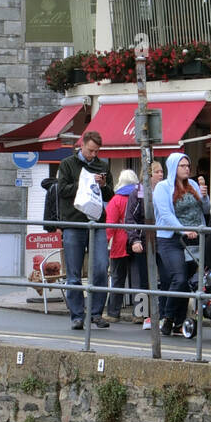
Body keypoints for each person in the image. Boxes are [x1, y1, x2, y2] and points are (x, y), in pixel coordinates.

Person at [55, 129, 114, 330]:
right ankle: (77, 316)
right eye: (90, 151)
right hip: (74, 222)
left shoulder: (103, 165)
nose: (93, 155)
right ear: (82, 145)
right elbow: (61, 190)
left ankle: (96, 313)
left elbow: (110, 195)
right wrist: (82, 183)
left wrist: (104, 184)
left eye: (96, 151)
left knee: (99, 268)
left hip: (96, 221)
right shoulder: (67, 164)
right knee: (73, 273)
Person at [153, 152, 209, 336]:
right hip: (170, 239)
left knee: (186, 282)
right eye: (182, 166)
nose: (187, 169)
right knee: (179, 278)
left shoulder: (192, 185)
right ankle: (167, 318)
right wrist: (183, 229)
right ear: (173, 167)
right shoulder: (162, 187)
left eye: (188, 165)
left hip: (192, 239)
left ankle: (178, 322)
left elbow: (206, 210)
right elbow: (165, 214)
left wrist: (205, 196)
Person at [125, 159, 165, 330]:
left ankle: (162, 313)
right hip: (144, 240)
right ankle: (142, 314)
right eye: (157, 172)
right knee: (144, 280)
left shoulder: (165, 191)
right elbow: (130, 218)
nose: (161, 174)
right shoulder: (137, 192)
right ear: (148, 175)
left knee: (166, 276)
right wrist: (134, 239)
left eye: (162, 171)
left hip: (162, 239)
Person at [105, 169, 139, 321]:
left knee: (117, 278)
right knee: (139, 279)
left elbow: (110, 224)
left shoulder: (116, 200)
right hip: (138, 240)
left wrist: (106, 242)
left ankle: (113, 313)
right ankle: (140, 314)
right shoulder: (141, 196)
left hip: (119, 243)